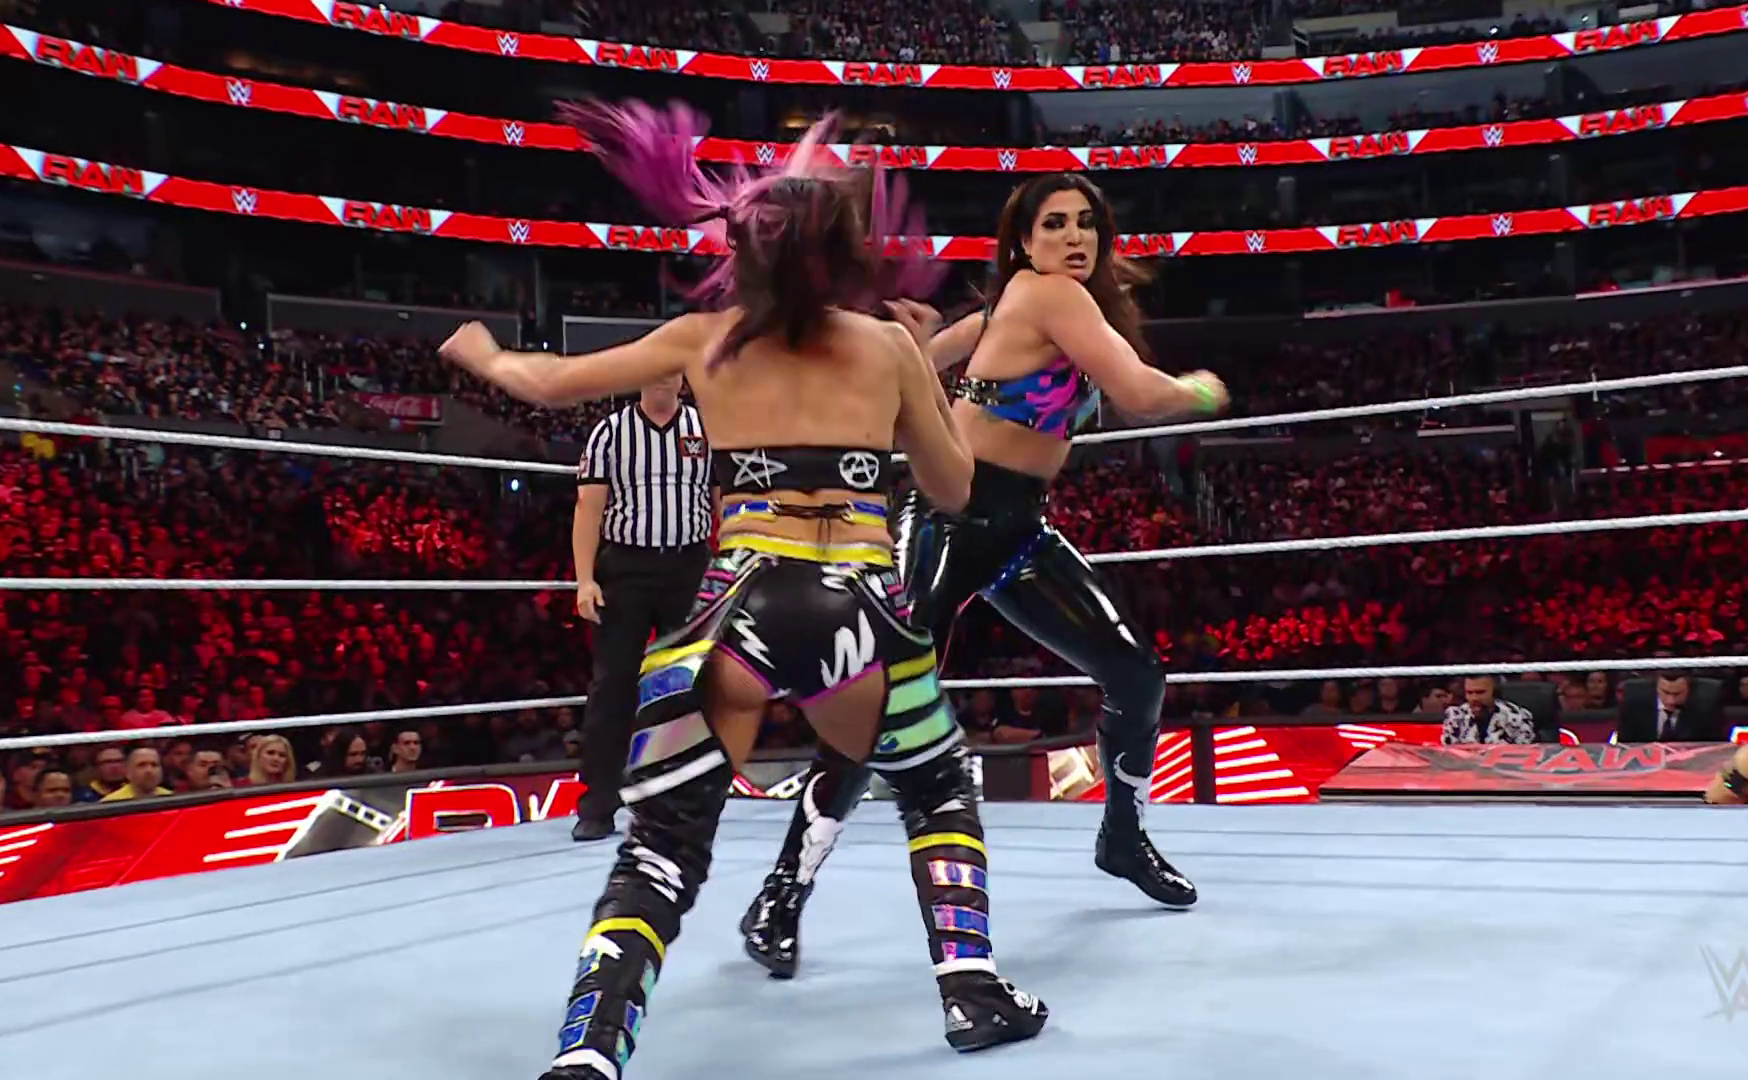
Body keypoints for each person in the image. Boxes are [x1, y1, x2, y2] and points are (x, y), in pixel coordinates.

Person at [439, 100, 1047, 1079]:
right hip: (859, 607)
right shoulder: (887, 346)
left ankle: (589, 1051)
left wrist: (482, 353)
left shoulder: (702, 340)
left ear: (744, 256)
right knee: (936, 785)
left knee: (659, 846)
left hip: (735, 608)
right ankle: (971, 989)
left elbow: (547, 381)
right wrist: (923, 386)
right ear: (845, 253)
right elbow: (954, 489)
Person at [740, 173, 1229, 978]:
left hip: (1018, 529)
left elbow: (922, 358)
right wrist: (1202, 393)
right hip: (945, 513)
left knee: (1135, 673)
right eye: (1054, 225)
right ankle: (781, 892)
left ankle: (1123, 836)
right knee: (883, 697)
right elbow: (1139, 392)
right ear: (1024, 243)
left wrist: (919, 346)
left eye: (1086, 224)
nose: (1074, 238)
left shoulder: (1015, 306)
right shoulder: (1051, 295)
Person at [572, 378, 714, 840]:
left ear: (681, 377)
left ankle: (680, 799)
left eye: (671, 370)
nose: (662, 378)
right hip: (626, 569)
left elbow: (721, 500)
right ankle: (598, 804)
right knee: (613, 684)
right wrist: (585, 579)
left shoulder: (705, 427)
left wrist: (727, 562)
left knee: (685, 686)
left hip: (688, 566)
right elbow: (588, 509)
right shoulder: (610, 432)